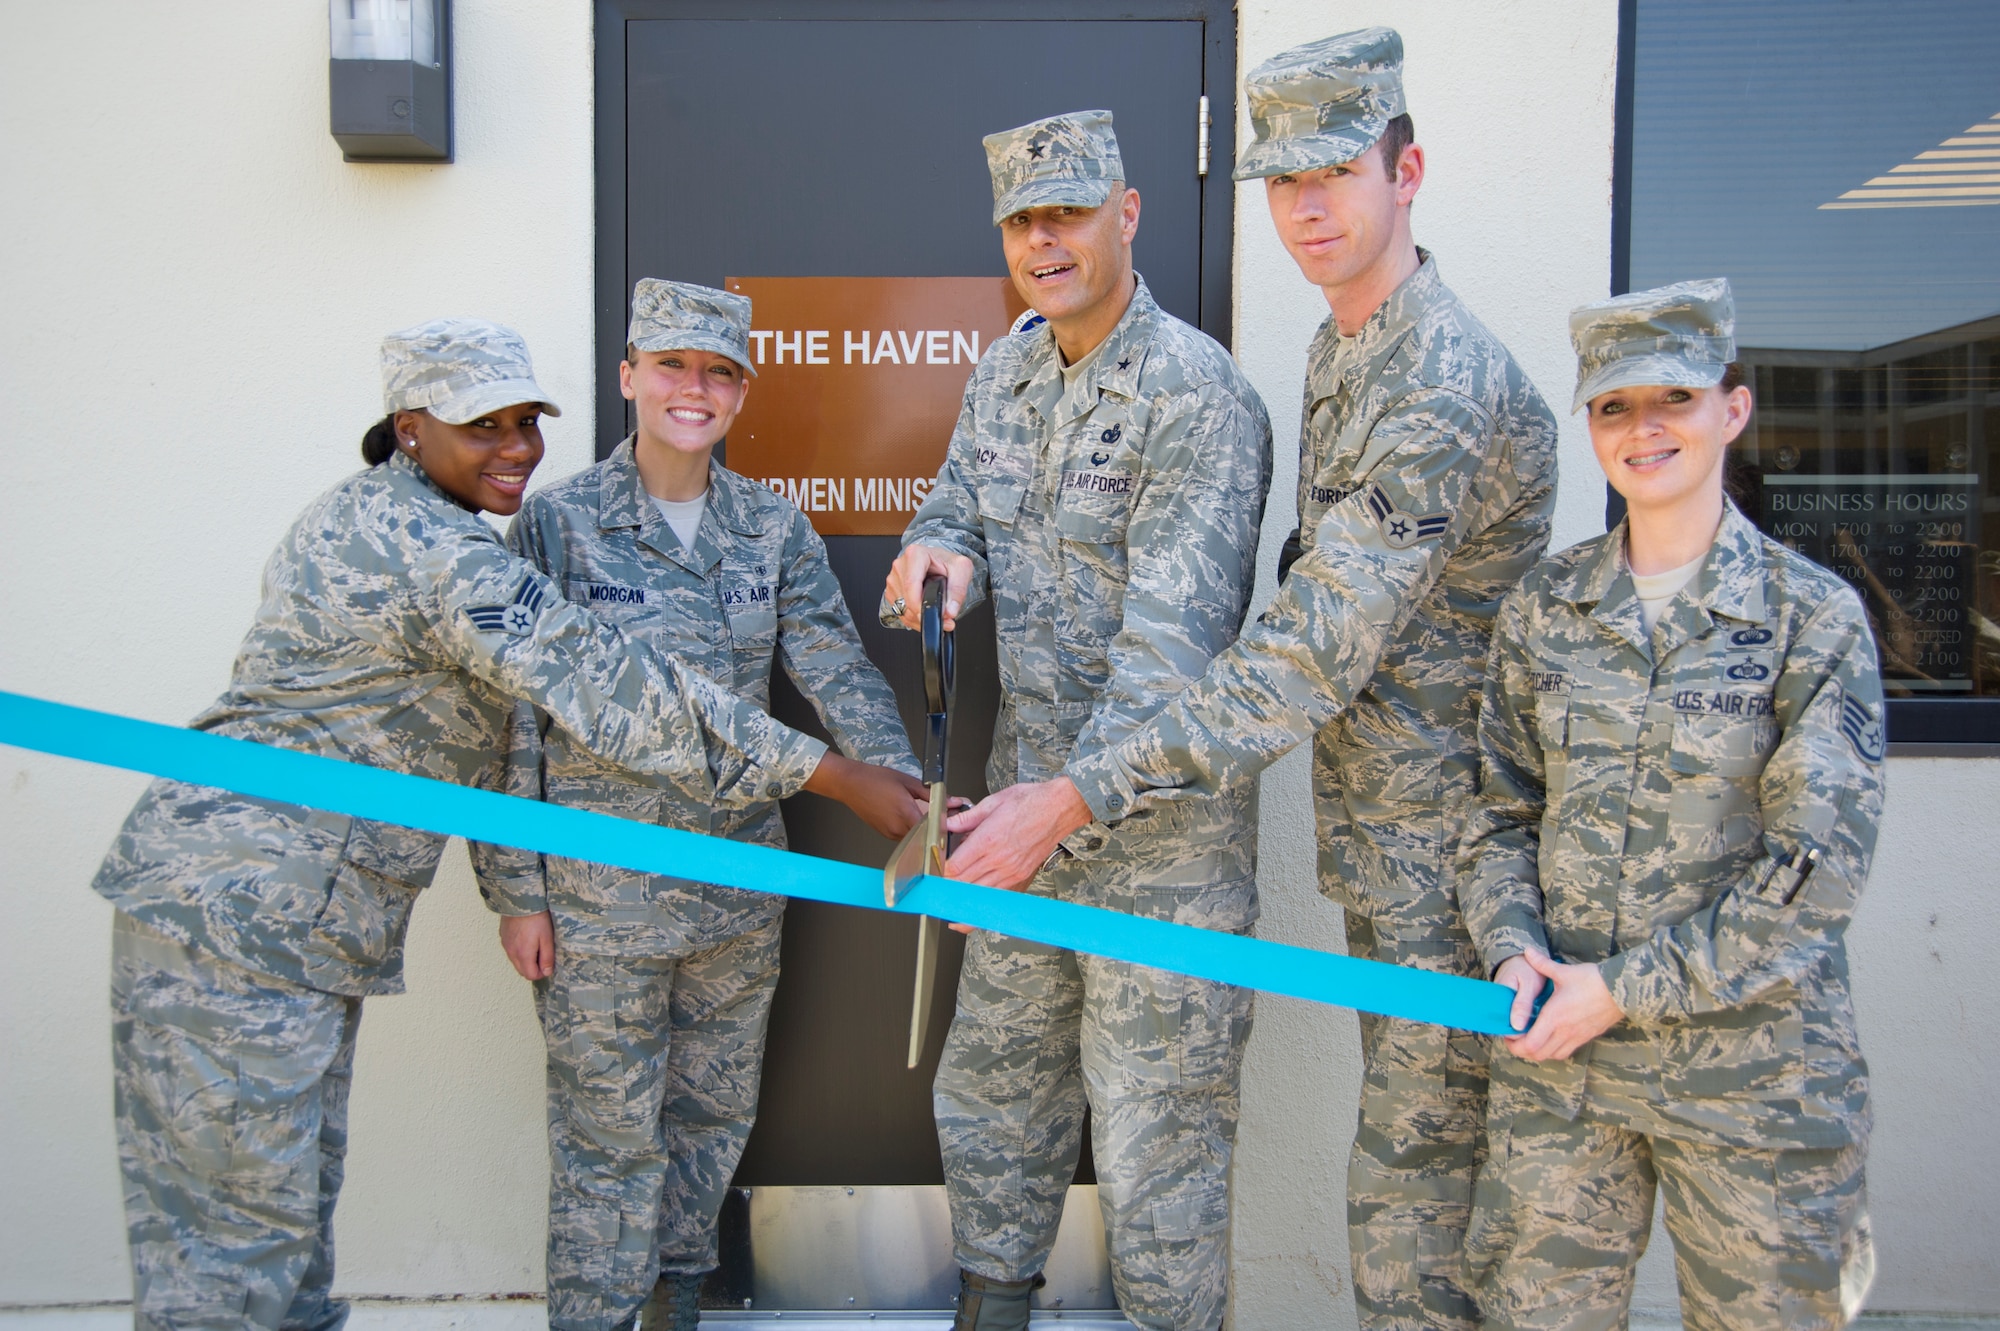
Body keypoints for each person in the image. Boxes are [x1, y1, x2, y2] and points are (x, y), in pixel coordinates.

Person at [92, 318, 924, 1331]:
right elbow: (606, 688)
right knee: (231, 1258)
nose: (516, 445)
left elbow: (824, 658)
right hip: (244, 904)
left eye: (527, 420)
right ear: (409, 429)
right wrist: (831, 774)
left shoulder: (399, 521)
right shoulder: (442, 552)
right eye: (481, 424)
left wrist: (896, 779)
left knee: (280, 1225)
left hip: (296, 914)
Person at [942, 30, 1560, 1330]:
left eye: (1338, 170)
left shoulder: (1431, 376)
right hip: (1398, 846)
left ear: (1410, 171)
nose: (1308, 207)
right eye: (1285, 181)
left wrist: (1073, 793)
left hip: (1459, 857)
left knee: (1418, 1211)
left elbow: (1306, 649)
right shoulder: (1354, 350)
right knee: (1410, 1188)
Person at [880, 110, 1273, 1331]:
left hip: (1157, 846)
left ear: (1127, 213)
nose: (1042, 240)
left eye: (1065, 212)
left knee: (1157, 1143)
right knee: (995, 1084)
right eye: (1020, 220)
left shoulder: (1197, 394)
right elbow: (958, 500)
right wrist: (938, 548)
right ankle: (992, 1302)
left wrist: (1062, 805)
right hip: (1018, 814)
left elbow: (1172, 656)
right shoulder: (1004, 368)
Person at [470, 281, 922, 1331]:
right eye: (671, 364)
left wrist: (903, 787)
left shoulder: (767, 527)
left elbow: (835, 669)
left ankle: (672, 1305)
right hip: (599, 901)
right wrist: (515, 890)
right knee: (606, 1142)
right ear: (628, 377)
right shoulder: (558, 525)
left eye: (719, 371)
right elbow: (511, 721)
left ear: (741, 393)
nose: (694, 388)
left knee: (711, 1120)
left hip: (737, 892)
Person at [1455, 279, 1882, 1330]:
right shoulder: (1543, 610)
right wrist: (1510, 949)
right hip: (1564, 1073)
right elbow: (1495, 812)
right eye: (1611, 404)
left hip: (1752, 1080)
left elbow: (1810, 873)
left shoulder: (1806, 617)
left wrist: (1622, 987)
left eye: (1672, 398)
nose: (1642, 428)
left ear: (1728, 410)